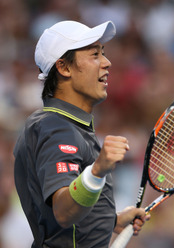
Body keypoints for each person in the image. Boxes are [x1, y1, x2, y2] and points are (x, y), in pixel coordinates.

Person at [13, 20, 150, 248]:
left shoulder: (57, 125)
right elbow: (64, 212)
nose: (107, 63)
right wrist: (97, 171)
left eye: (103, 53)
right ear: (64, 67)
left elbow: (62, 225)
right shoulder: (56, 128)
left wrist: (110, 221)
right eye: (94, 54)